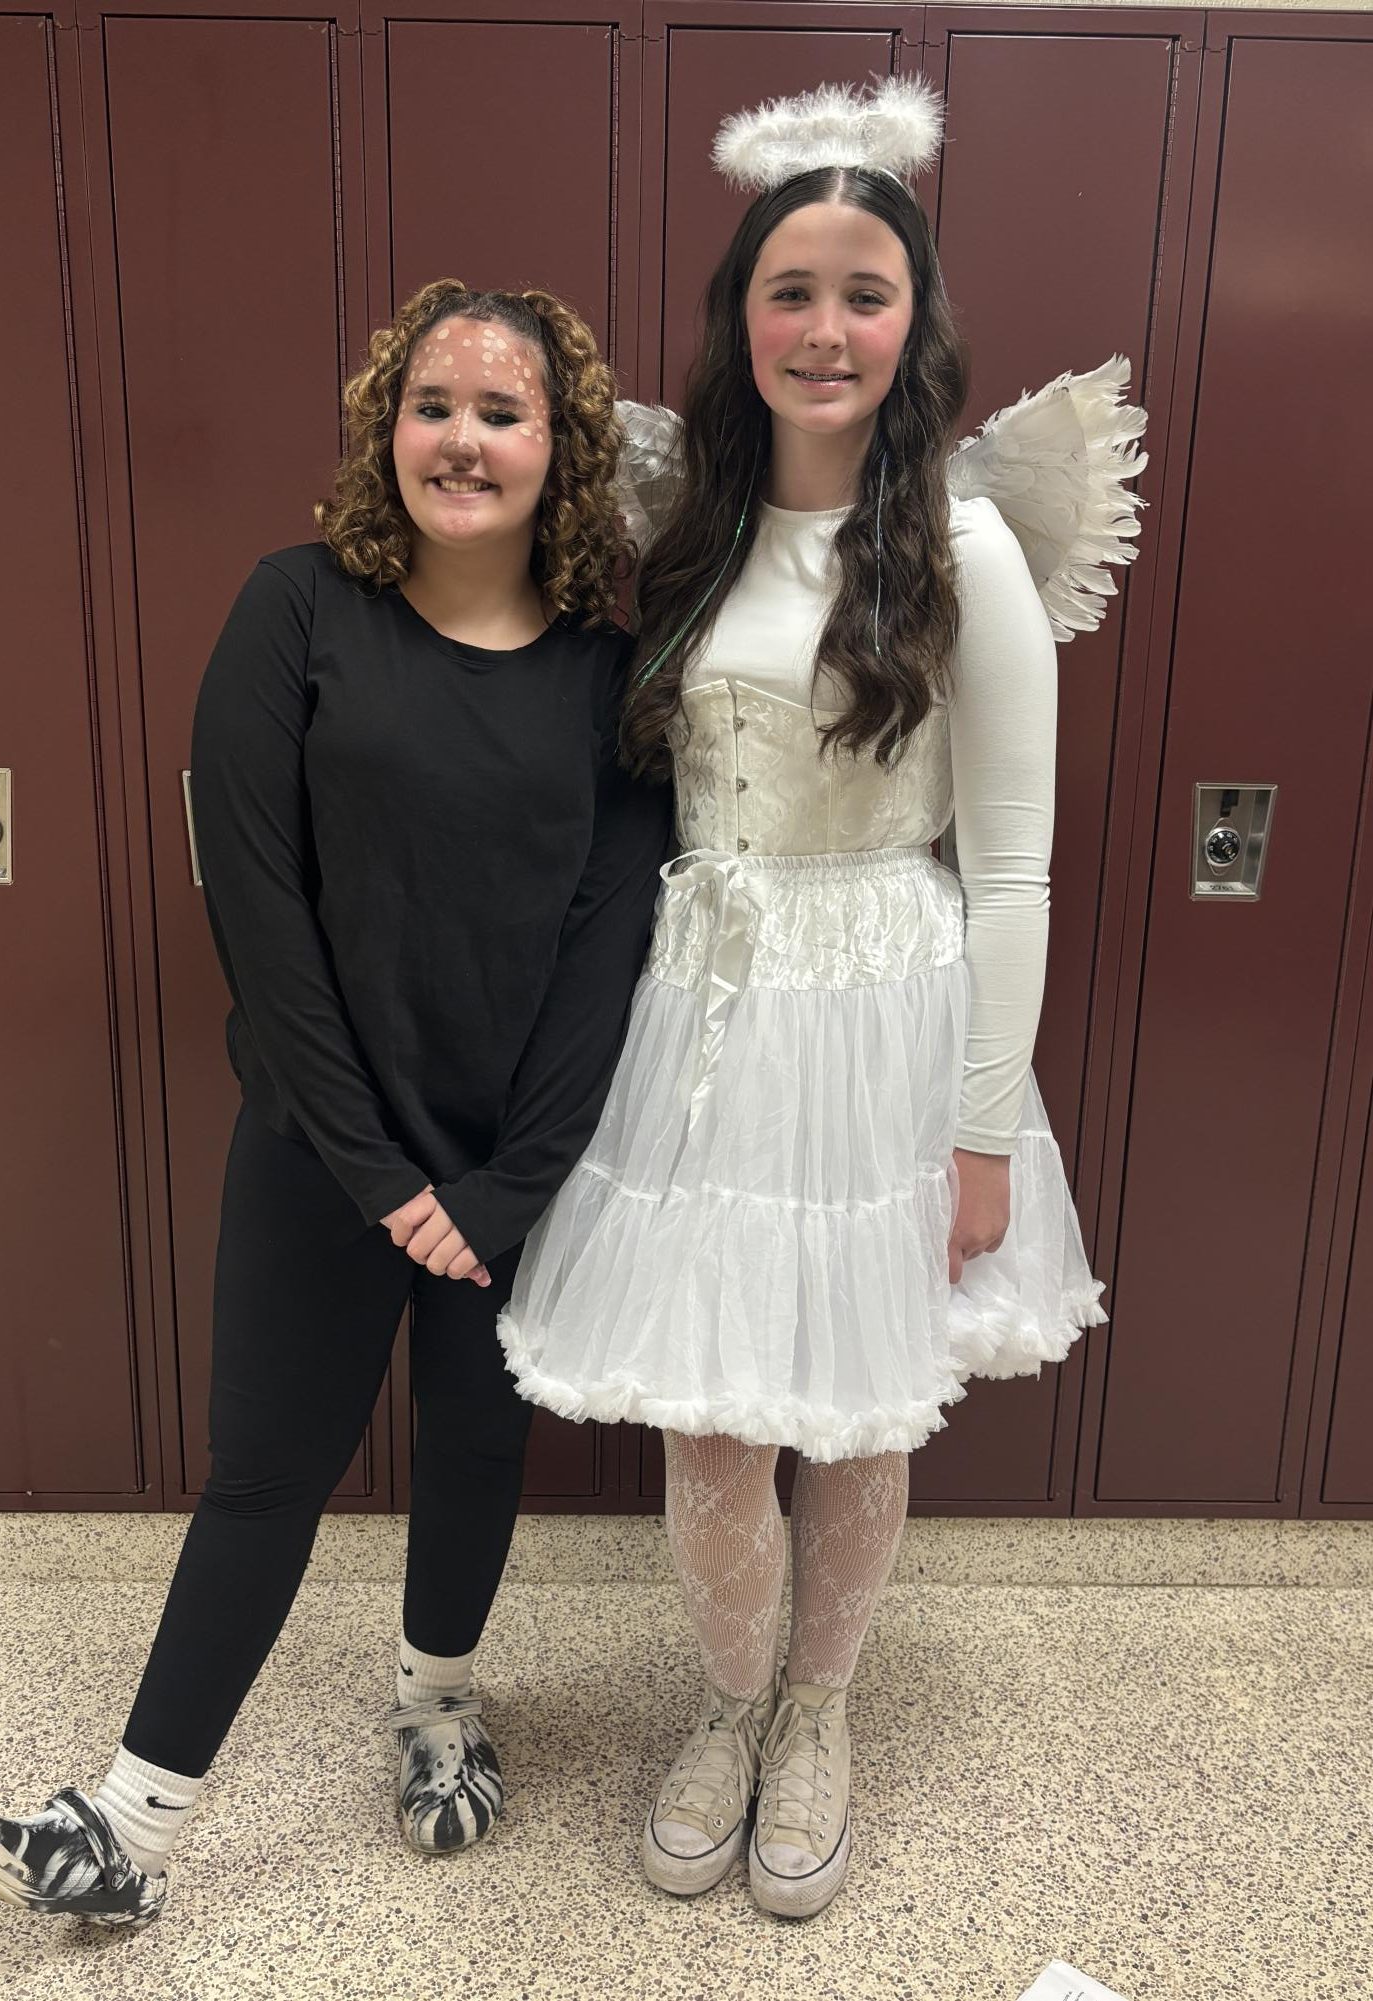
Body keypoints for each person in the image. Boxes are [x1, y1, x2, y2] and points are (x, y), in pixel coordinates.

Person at [0, 279, 672, 1928]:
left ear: (561, 453)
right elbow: (257, 916)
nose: (462, 438)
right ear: (383, 426)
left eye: (503, 412)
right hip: (317, 1154)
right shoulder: (296, 612)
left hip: (511, 1180)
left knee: (478, 1447)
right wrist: (379, 1173)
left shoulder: (615, 686)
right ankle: (129, 1825)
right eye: (432, 404)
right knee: (263, 1477)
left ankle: (436, 1699)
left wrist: (499, 1189)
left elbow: (606, 950)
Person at [497, 77, 1147, 1919]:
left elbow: (1009, 865)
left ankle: (822, 1713)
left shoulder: (968, 547)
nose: (826, 327)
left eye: (866, 291)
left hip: (885, 1014)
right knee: (714, 1421)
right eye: (792, 289)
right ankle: (726, 1701)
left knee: (857, 1408)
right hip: (704, 1019)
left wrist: (978, 1123)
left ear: (912, 322)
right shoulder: (684, 528)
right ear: (742, 316)